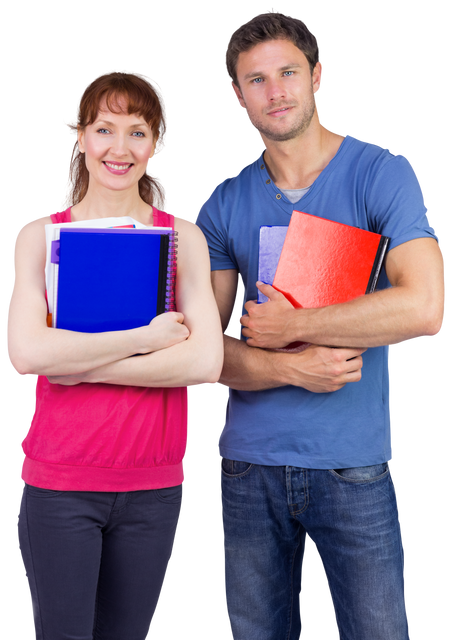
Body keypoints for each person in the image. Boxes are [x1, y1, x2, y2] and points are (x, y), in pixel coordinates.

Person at [195, 7, 446, 640]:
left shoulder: (381, 172)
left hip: (352, 467)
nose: (274, 90)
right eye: (256, 80)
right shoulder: (223, 202)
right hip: (248, 471)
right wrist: (287, 363)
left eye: (287, 72)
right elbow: (203, 349)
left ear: (318, 77)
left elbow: (425, 306)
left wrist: (295, 323)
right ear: (237, 96)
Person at [7, 66, 223, 640]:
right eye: (104, 129)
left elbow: (205, 363)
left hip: (154, 487)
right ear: (79, 136)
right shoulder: (37, 235)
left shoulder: (184, 238)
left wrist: (75, 363)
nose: (119, 148)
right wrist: (146, 339)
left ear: (156, 145)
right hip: (60, 486)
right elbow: (26, 354)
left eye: (137, 131)